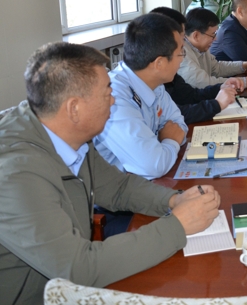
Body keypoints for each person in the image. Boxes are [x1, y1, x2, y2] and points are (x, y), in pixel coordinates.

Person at [0, 42, 220, 304]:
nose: (114, 100)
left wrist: (174, 200)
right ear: (74, 108)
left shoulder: (66, 132)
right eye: (107, 93)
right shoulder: (15, 174)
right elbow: (77, 268)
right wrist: (178, 225)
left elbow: (117, 188)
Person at [94, 14, 189, 180]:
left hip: (142, 183)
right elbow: (154, 165)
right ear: (159, 63)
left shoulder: (154, 83)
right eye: (180, 53)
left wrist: (164, 145)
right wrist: (170, 141)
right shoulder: (113, 98)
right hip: (114, 192)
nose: (182, 60)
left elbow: (179, 125)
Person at [180, 7, 247, 89]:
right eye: (212, 35)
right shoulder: (181, 54)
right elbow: (205, 83)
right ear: (196, 36)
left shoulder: (200, 47)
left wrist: (245, 65)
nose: (215, 39)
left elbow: (217, 68)